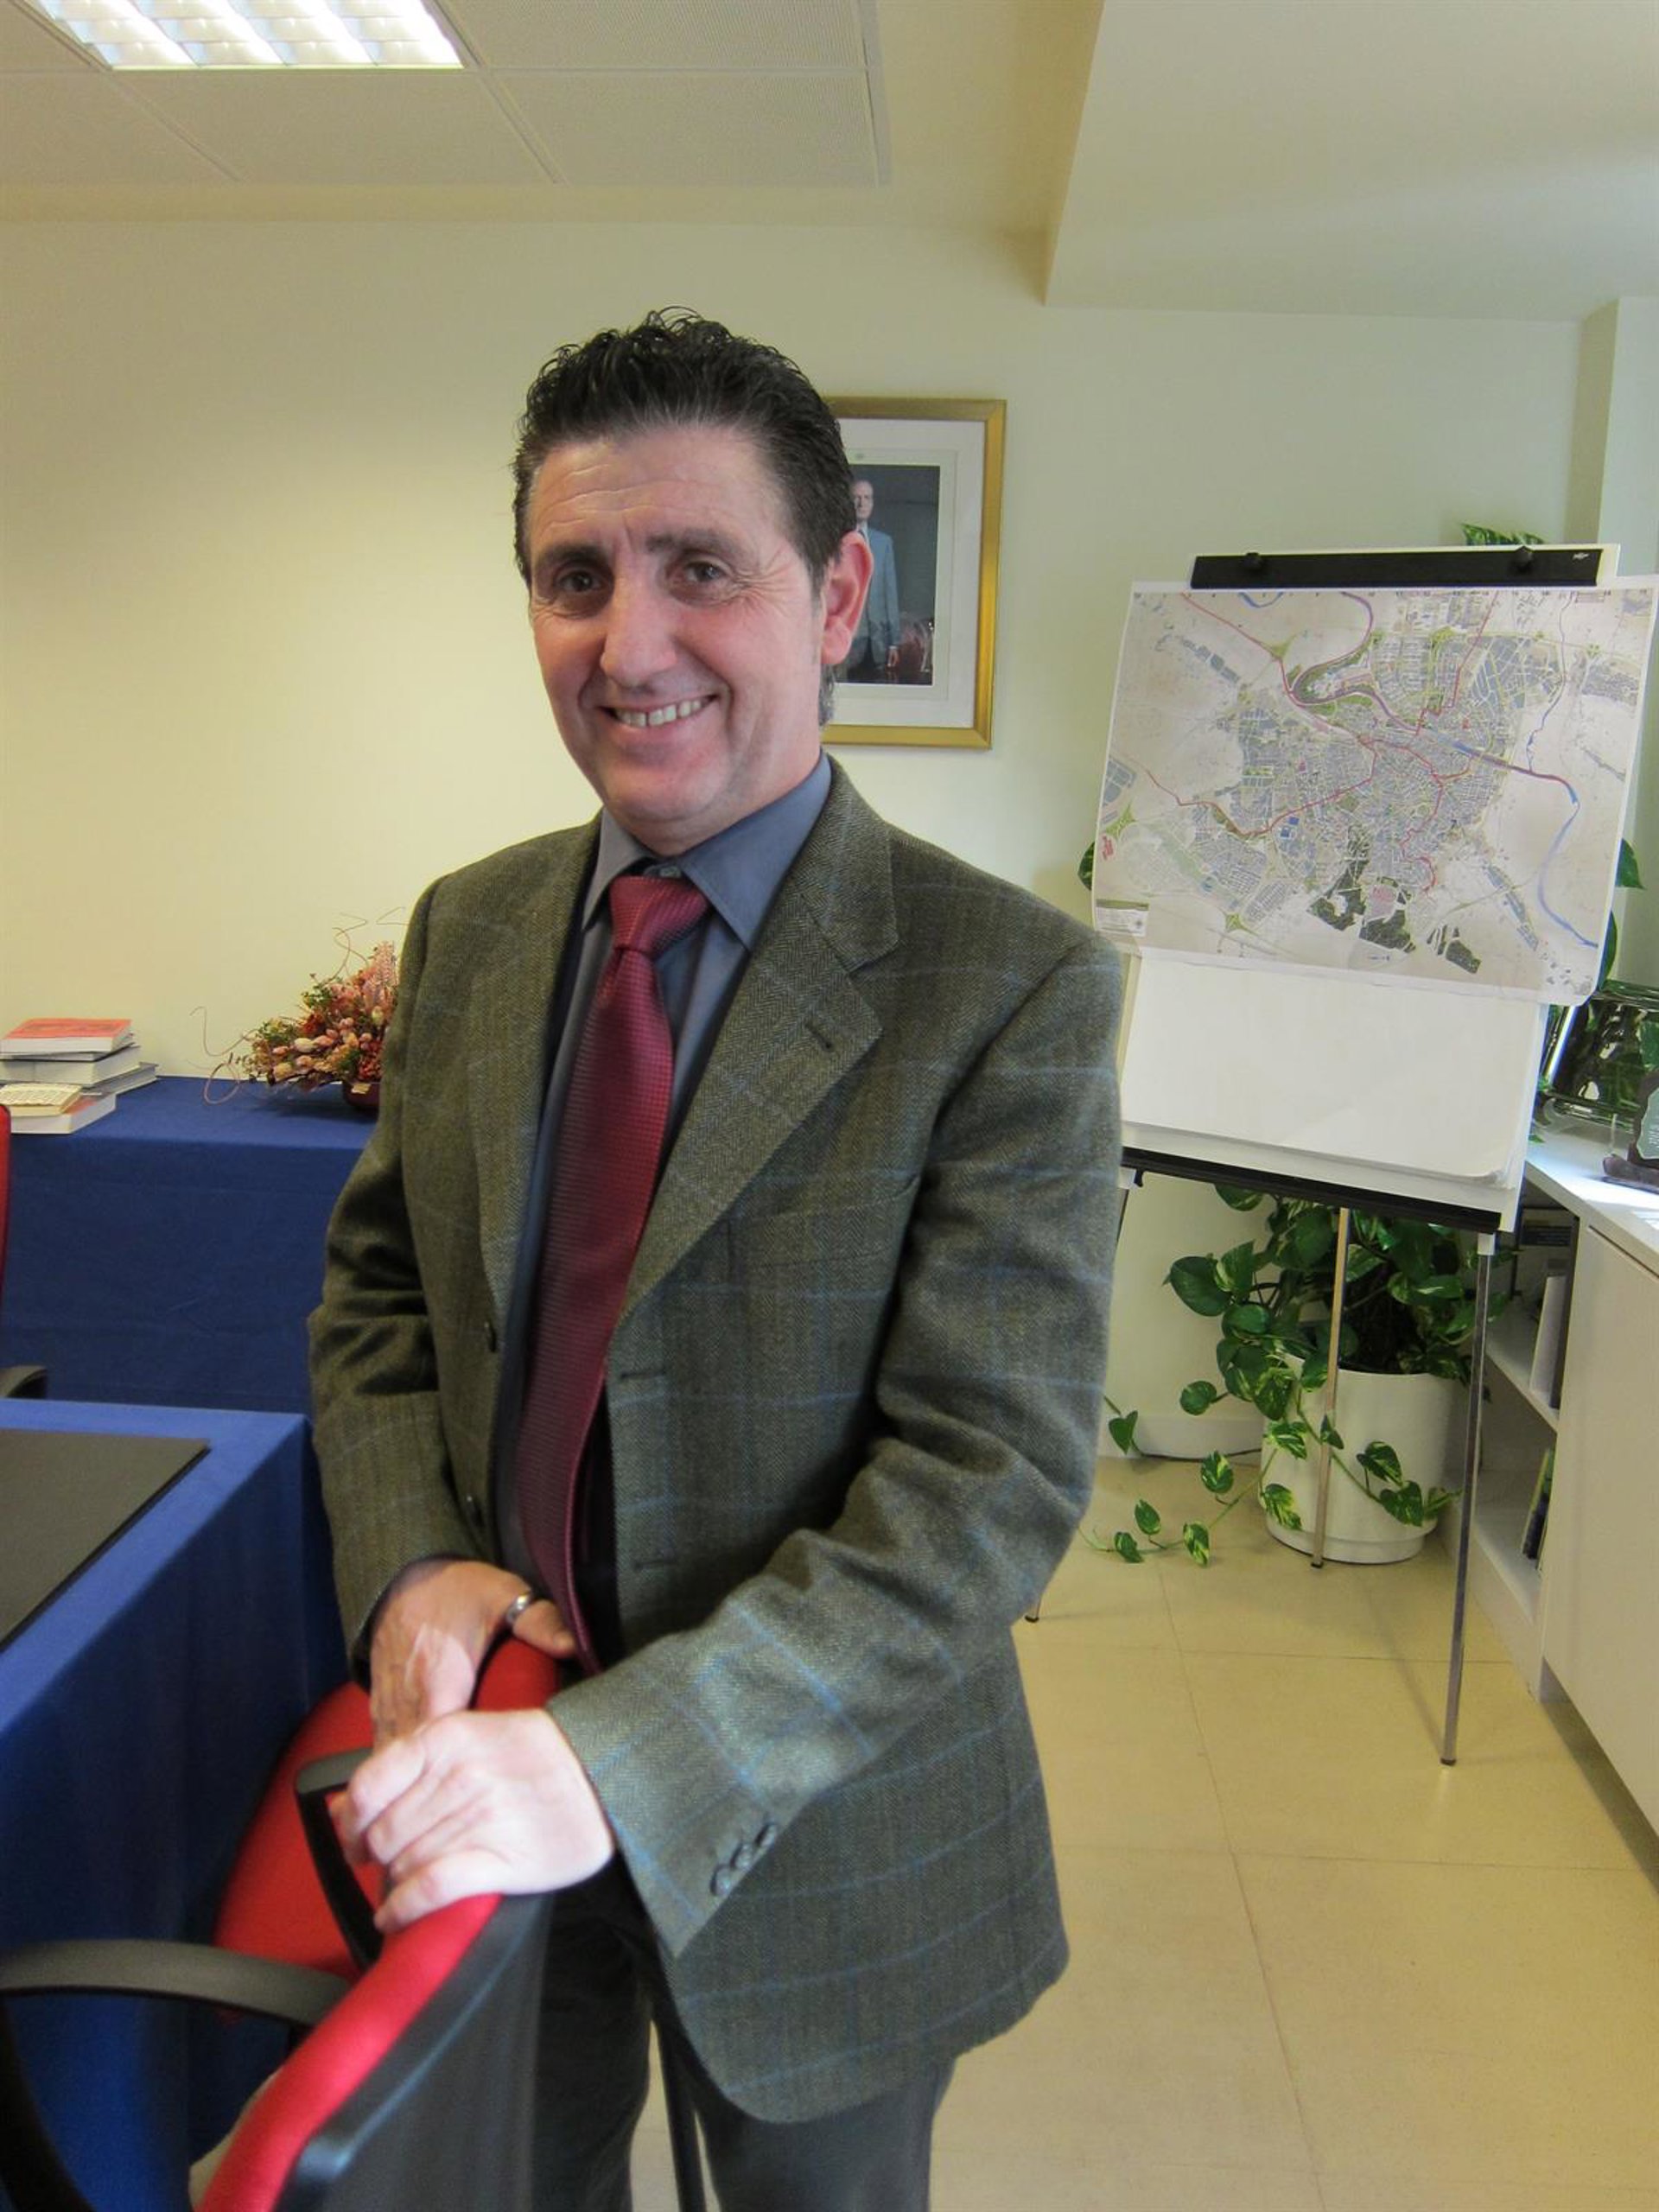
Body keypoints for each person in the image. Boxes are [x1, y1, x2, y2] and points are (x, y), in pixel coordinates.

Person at [310, 310, 1120, 2211]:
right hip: (497, 1765)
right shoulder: (473, 927)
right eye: (575, 578)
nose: (630, 643)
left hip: (826, 1822)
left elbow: (986, 1480)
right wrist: (410, 1563)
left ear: (835, 596)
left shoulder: (1006, 985)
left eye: (700, 569)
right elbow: (382, 1300)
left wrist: (622, 1763)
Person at [837, 478, 901, 680]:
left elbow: (890, 594)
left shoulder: (884, 543)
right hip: (844, 640)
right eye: (856, 498)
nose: (861, 503)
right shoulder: (835, 541)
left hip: (877, 643)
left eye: (867, 498)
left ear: (872, 503)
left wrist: (894, 642)